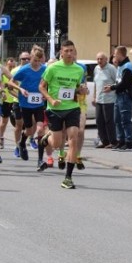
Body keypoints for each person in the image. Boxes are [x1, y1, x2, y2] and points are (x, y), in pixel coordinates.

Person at [38, 40, 87, 189]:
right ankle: (48, 138)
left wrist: (81, 91)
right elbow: (41, 86)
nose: (69, 54)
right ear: (61, 52)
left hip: (72, 108)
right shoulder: (52, 68)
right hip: (55, 110)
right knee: (58, 143)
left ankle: (68, 178)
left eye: (72, 51)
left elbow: (76, 88)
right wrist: (51, 100)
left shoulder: (79, 70)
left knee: (73, 137)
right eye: (66, 51)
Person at [8, 46, 49, 168]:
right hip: (25, 103)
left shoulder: (44, 70)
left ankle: (40, 160)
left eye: (38, 61)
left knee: (40, 129)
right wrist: (20, 88)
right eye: (34, 60)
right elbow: (10, 82)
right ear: (30, 58)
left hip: (39, 104)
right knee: (30, 130)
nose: (36, 63)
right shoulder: (24, 70)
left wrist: (46, 95)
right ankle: (22, 143)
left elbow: (48, 83)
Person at [104, 46, 132, 151]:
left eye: (115, 54)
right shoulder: (120, 66)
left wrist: (112, 88)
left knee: (125, 120)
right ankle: (121, 140)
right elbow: (119, 81)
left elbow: (125, 83)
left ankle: (128, 141)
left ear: (121, 54)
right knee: (117, 119)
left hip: (125, 95)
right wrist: (113, 86)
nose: (114, 55)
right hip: (119, 95)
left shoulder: (127, 66)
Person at [92, 51, 117, 148]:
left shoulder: (111, 68)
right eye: (97, 59)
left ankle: (113, 141)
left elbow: (117, 82)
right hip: (99, 99)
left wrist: (111, 87)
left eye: (101, 59)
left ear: (106, 59)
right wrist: (94, 96)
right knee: (99, 121)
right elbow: (95, 83)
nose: (99, 61)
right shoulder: (96, 68)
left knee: (109, 121)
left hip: (109, 99)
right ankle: (104, 141)